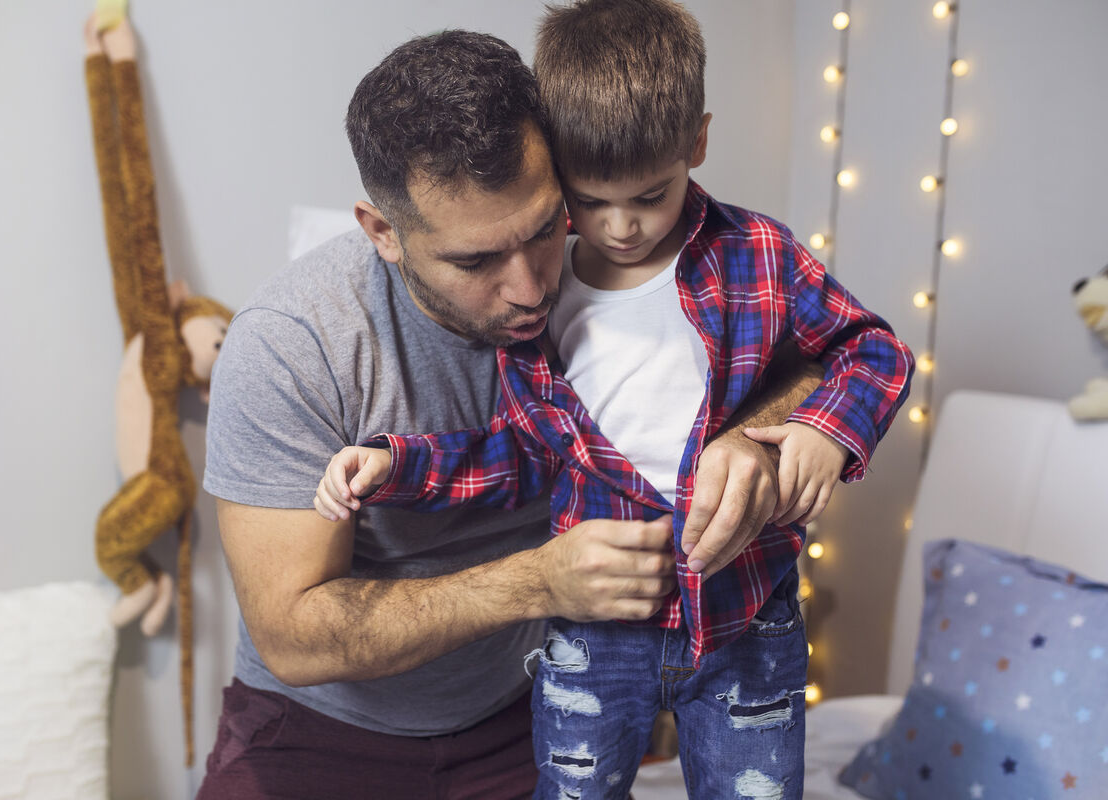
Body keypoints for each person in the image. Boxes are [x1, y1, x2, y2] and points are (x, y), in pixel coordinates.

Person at [199, 26, 823, 800]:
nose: (531, 287)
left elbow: (814, 360)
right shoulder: (292, 345)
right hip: (317, 734)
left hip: (518, 717)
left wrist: (756, 440)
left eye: (541, 230)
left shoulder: (615, 262)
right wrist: (538, 584)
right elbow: (294, 636)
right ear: (382, 232)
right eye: (476, 260)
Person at [312, 2, 915, 797]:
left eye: (650, 196)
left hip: (745, 619)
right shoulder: (542, 299)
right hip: (598, 636)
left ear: (696, 143)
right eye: (590, 203)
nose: (622, 228)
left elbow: (873, 349)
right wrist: (393, 464)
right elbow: (521, 452)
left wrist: (822, 429)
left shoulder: (757, 255)